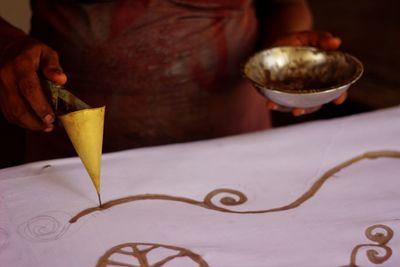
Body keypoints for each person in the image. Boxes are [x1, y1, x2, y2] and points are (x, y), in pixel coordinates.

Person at [0, 0, 345, 163]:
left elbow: (283, 4)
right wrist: (6, 44)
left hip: (235, 145)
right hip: (75, 154)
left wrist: (285, 55)